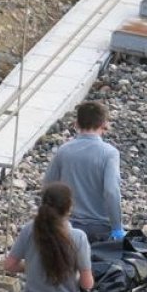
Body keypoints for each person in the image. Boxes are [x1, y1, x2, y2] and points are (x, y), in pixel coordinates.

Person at [43, 101, 125, 243]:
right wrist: (117, 227)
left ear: (77, 123)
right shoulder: (109, 153)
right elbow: (111, 191)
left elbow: (48, 186)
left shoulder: (64, 150)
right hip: (100, 227)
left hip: (68, 226)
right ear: (104, 124)